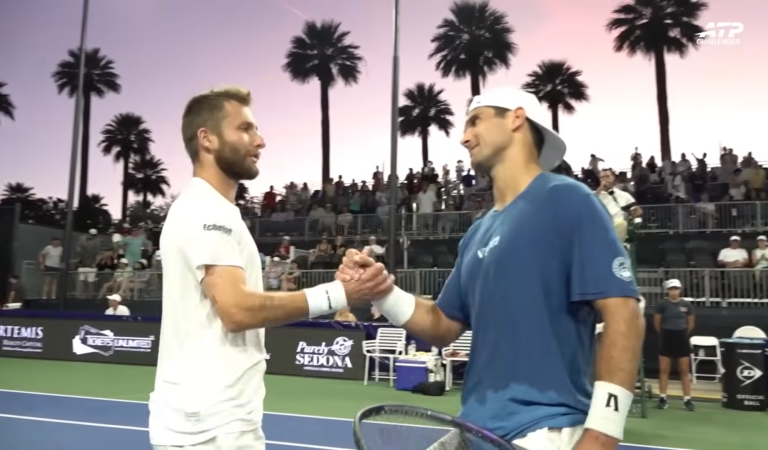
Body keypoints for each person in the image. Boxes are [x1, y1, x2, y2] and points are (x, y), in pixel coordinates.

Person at [337, 87, 645, 450]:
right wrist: (382, 291)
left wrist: (602, 434)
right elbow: (441, 325)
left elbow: (625, 315)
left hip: (542, 431)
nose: (464, 137)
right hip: (475, 430)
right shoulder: (477, 233)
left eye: (475, 121)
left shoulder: (569, 199)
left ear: (516, 118)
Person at [148, 86, 394, 450]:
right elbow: (237, 309)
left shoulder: (214, 210)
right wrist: (339, 294)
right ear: (207, 139)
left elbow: (241, 302)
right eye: (245, 129)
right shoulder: (205, 210)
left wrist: (336, 285)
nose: (259, 141)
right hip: (210, 429)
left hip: (218, 420)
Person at [653, 279, 695, 412]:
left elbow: (691, 324)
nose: (674, 291)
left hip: (681, 338)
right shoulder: (662, 304)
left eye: (676, 289)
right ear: (668, 290)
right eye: (671, 289)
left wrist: (681, 334)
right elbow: (657, 323)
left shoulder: (687, 305)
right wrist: (666, 333)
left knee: (684, 371)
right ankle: (663, 398)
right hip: (666, 338)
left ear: (680, 290)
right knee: (664, 370)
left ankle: (687, 399)